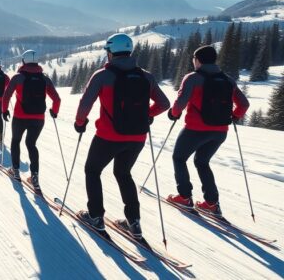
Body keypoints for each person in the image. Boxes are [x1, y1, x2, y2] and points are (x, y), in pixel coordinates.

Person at [73, 33, 170, 238]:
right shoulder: (146, 76)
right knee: (124, 173)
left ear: (110, 52)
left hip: (108, 136)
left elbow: (85, 103)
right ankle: (134, 222)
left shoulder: (102, 75)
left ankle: (96, 217)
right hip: (137, 137)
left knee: (92, 170)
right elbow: (164, 104)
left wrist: (80, 123)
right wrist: (147, 114)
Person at [166, 45, 249, 216]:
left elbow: (180, 102)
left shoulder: (192, 78)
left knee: (179, 158)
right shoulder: (227, 80)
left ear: (198, 60)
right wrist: (235, 116)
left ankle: (184, 197)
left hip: (195, 130)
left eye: (194, 59)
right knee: (202, 162)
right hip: (220, 132)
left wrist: (173, 114)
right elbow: (244, 104)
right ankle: (211, 203)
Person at [1, 50, 61, 190]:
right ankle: (34, 177)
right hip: (38, 119)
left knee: (16, 141)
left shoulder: (18, 78)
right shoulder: (45, 79)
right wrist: (54, 111)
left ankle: (15, 170)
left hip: (20, 117)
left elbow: (6, 96)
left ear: (23, 61)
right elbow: (57, 99)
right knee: (31, 144)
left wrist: (4, 111)